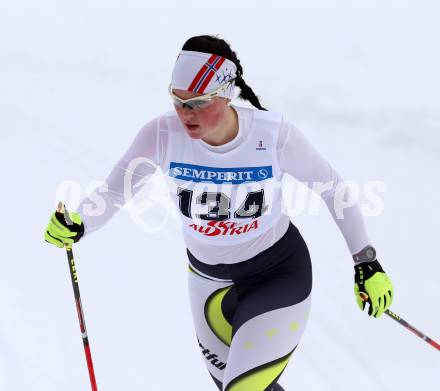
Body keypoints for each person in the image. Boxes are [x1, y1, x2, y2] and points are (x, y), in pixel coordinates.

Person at [44, 35, 394, 391]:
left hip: (277, 276)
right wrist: (79, 223)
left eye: (197, 103)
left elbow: (334, 189)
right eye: (178, 101)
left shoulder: (272, 136)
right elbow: (114, 191)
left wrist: (366, 261)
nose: (185, 114)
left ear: (226, 94)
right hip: (208, 285)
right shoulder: (162, 135)